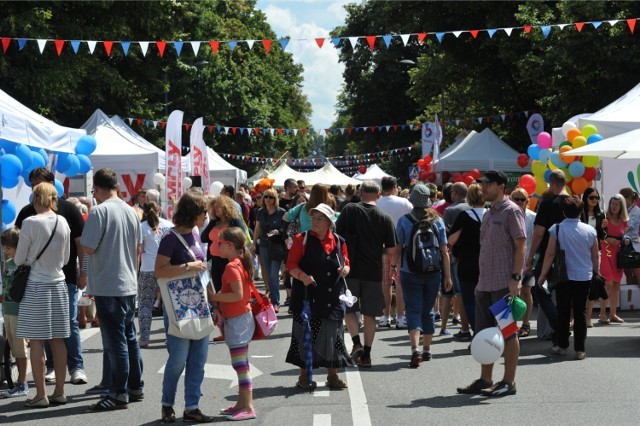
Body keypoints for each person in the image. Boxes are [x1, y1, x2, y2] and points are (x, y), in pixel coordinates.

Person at [15, 168, 88, 386]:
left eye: (37, 184)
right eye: (31, 185)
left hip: (59, 280)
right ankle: (53, 373)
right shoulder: (27, 213)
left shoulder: (68, 210)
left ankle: (76, 367)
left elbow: (80, 245)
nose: (34, 189)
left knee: (65, 326)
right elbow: (66, 256)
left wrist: (83, 271)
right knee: (50, 329)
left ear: (50, 183)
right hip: (52, 278)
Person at [457, 170, 526, 397]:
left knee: (508, 331)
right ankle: (485, 379)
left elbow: (521, 245)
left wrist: (516, 278)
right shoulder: (487, 213)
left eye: (487, 184)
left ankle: (509, 382)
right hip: (485, 283)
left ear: (501, 186)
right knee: (484, 333)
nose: (483, 187)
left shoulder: (511, 211)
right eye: (482, 184)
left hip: (502, 284)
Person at [81, 168, 144, 410]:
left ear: (96, 188)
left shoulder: (99, 210)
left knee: (116, 340)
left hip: (109, 283)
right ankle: (135, 386)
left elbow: (88, 247)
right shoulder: (131, 211)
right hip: (127, 282)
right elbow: (139, 248)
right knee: (129, 338)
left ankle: (119, 392)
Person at [155, 192, 213, 423]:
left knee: (198, 360)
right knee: (178, 359)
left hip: (198, 304)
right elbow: (159, 270)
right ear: (193, 213)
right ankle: (167, 404)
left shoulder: (196, 234)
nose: (206, 216)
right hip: (178, 306)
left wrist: (213, 299)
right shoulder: (170, 238)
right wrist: (188, 265)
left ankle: (192, 406)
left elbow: (203, 271)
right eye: (203, 212)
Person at [16, 182, 71, 408]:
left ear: (37, 198)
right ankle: (59, 391)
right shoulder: (63, 221)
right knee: (58, 340)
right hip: (58, 284)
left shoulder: (30, 223)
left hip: (36, 286)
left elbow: (19, 259)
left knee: (36, 340)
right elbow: (66, 259)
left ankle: (41, 394)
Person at [286, 203, 354, 387]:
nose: (314, 221)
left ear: (329, 222)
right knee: (304, 336)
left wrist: (345, 269)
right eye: (313, 218)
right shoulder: (302, 239)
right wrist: (303, 276)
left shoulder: (339, 241)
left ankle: (332, 376)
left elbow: (346, 263)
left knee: (333, 336)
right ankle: (304, 377)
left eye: (319, 218)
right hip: (308, 296)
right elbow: (291, 265)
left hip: (333, 296)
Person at [336, 180, 398, 368]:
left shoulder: (349, 210)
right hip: (373, 271)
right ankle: (367, 355)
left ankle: (356, 343)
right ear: (379, 195)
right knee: (370, 314)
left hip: (351, 269)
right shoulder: (385, 217)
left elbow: (337, 236)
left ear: (361, 192)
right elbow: (391, 248)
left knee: (349, 309)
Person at [391, 185, 452, 367]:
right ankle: (427, 350)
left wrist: (394, 266)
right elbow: (444, 251)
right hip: (434, 272)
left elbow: (398, 247)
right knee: (428, 309)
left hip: (410, 271)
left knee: (413, 309)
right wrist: (447, 277)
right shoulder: (438, 221)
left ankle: (414, 349)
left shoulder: (404, 221)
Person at [537, 197, 599, 360]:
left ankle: (562, 345)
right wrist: (596, 272)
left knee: (563, 311)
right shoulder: (590, 231)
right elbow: (595, 256)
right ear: (581, 212)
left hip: (563, 277)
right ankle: (580, 349)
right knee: (580, 312)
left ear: (564, 212)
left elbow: (550, 253)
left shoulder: (556, 229)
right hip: (584, 276)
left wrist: (543, 275)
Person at [210, 227, 257, 421]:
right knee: (241, 364)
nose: (216, 246)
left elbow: (237, 294)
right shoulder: (238, 263)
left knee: (241, 366)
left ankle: (248, 408)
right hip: (240, 319)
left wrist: (213, 296)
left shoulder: (231, 267)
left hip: (238, 321)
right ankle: (242, 403)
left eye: (219, 243)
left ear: (229, 245)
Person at [525, 170, 569, 343]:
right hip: (570, 255)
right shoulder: (575, 203)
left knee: (541, 290)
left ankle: (555, 327)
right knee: (564, 295)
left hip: (548, 255)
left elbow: (539, 232)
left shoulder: (548, 203)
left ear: (551, 183)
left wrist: (530, 255)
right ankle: (561, 327)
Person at [448, 183, 486, 337]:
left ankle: (478, 332)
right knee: (489, 300)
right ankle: (493, 331)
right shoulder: (491, 214)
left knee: (469, 300)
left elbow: (451, 240)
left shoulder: (465, 216)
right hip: (488, 263)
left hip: (467, 263)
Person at [376, 176, 413, 329]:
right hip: (401, 246)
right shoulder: (404, 202)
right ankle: (401, 316)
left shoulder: (377, 203)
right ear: (395, 187)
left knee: (385, 282)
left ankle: (385, 316)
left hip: (382, 247)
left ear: (382, 188)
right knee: (400, 283)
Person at [138, 201, 173, 348]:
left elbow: (138, 251)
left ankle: (144, 338)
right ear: (159, 209)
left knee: (145, 304)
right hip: (166, 268)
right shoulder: (169, 225)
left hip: (147, 268)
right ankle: (170, 336)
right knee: (168, 304)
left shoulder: (142, 227)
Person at [1, 228, 29, 399]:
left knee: (20, 350)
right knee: (13, 348)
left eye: (9, 248)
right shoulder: (8, 264)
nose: (6, 251)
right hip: (8, 312)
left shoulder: (23, 265)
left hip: (18, 312)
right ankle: (19, 383)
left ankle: (22, 382)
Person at [250, 188, 286, 311]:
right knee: (268, 274)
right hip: (264, 245)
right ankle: (272, 300)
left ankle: (276, 302)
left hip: (276, 246)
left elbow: (287, 229)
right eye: (266, 197)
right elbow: (257, 229)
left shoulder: (281, 212)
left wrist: (278, 231)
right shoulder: (261, 212)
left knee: (273, 275)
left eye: (271, 197)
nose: (268, 200)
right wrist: (253, 244)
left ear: (275, 199)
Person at [441, 182, 469, 337]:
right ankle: (465, 324)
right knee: (464, 292)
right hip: (470, 255)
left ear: (455, 193)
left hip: (453, 255)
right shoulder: (473, 209)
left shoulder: (450, 210)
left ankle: (444, 326)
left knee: (449, 291)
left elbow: (445, 236)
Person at [509, 188, 537, 337]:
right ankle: (511, 326)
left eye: (522, 199)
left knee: (526, 291)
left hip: (528, 261)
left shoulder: (533, 217)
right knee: (512, 293)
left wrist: (533, 260)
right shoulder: (508, 215)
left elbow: (536, 240)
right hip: (511, 261)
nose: (519, 202)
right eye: (516, 199)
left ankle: (526, 324)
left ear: (528, 201)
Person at [598, 194, 628, 324]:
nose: (614, 206)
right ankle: (602, 313)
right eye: (612, 203)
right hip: (606, 253)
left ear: (621, 206)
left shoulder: (624, 221)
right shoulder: (604, 218)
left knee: (616, 285)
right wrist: (607, 239)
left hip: (618, 256)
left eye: (617, 204)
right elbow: (597, 237)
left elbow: (625, 236)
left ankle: (613, 314)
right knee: (608, 283)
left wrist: (626, 240)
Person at [582, 188, 605, 328]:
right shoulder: (580, 212)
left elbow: (603, 237)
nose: (594, 200)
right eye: (591, 197)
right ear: (585, 198)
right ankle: (574, 317)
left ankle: (588, 318)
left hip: (595, 253)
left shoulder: (600, 215)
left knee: (593, 284)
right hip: (580, 252)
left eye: (596, 198)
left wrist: (604, 229)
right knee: (577, 285)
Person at [620, 188, 640, 286]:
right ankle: (630, 299)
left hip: (634, 245)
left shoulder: (636, 211)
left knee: (637, 273)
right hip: (624, 244)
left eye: (623, 198)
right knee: (627, 273)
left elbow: (629, 227)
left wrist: (616, 230)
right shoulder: (621, 210)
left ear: (629, 198)